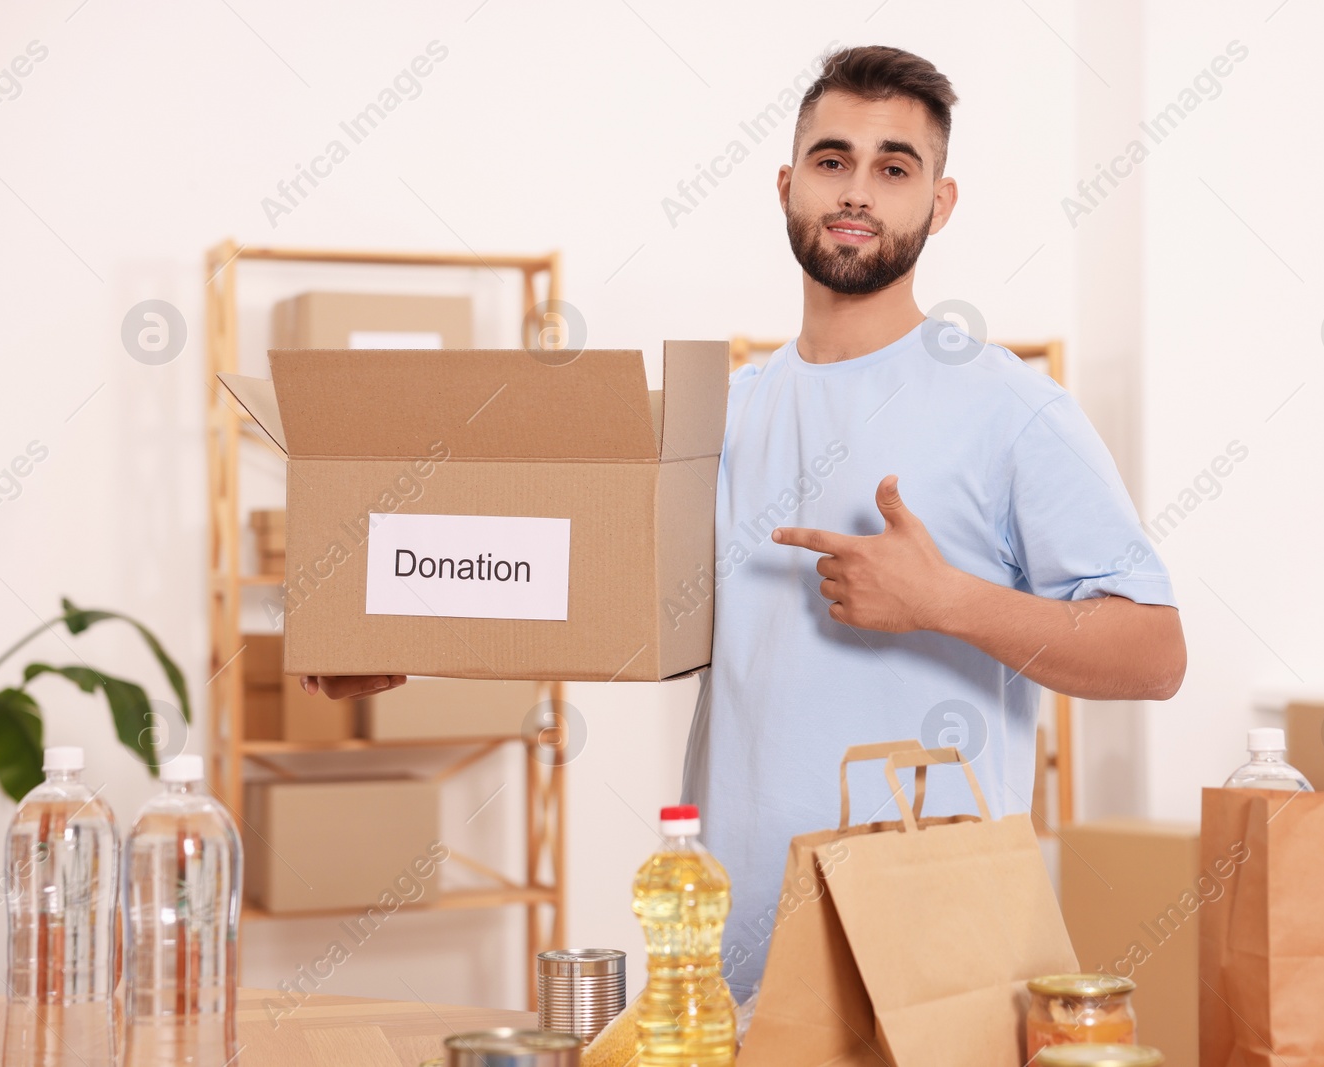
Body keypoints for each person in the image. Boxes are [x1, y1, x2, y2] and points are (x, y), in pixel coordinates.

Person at [304, 44, 1185, 1006]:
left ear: (940, 203)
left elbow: (1154, 652)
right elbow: (593, 596)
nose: (858, 190)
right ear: (787, 184)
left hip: (933, 970)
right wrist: (392, 633)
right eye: (831, 159)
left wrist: (946, 600)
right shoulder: (723, 417)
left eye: (896, 167)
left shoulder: (1012, 409)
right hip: (734, 958)